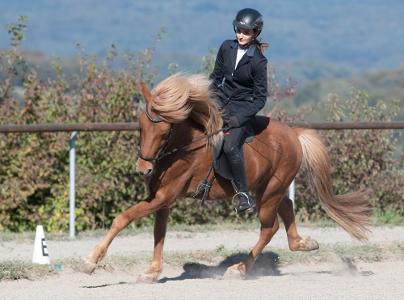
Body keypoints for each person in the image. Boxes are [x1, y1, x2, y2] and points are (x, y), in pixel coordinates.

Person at [209, 8, 268, 215]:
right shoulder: (226, 47)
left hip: (242, 108)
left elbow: (261, 98)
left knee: (230, 147)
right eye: (239, 30)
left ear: (255, 33)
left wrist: (238, 119)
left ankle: (243, 195)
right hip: (220, 100)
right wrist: (205, 98)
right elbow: (215, 77)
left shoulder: (259, 62)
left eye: (246, 32)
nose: (241, 35)